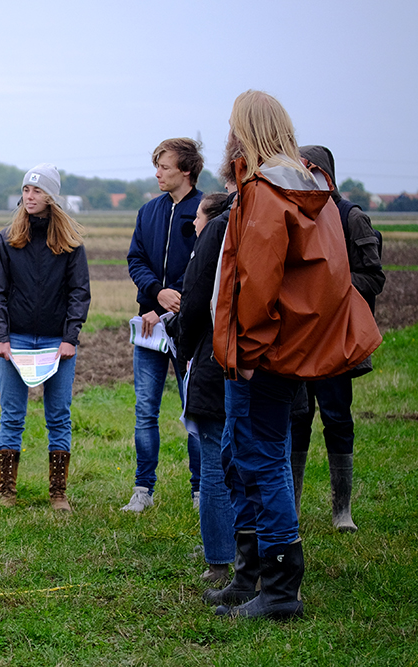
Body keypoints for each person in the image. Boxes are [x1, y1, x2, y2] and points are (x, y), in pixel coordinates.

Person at [208, 90, 382, 619]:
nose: (229, 133)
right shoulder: (313, 188)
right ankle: (252, 574)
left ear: (247, 129)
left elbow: (256, 284)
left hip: (260, 354)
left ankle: (280, 589)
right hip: (282, 349)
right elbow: (327, 280)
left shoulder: (266, 190)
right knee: (244, 453)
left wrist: (251, 351)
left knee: (261, 458)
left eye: (234, 124)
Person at [289, 145, 386, 533]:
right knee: (296, 420)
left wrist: (331, 288)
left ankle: (341, 510)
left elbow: (374, 277)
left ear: (320, 171)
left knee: (337, 418)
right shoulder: (292, 212)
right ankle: (290, 508)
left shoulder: (352, 217)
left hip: (335, 340)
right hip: (298, 340)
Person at [0, 164, 90, 512]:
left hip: (56, 344)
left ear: (51, 197)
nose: (30, 197)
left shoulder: (71, 244)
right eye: (26, 191)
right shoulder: (7, 239)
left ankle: (58, 493)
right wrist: (2, 337)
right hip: (15, 343)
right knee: (12, 416)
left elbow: (79, 292)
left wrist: (70, 338)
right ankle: (7, 491)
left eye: (38, 191)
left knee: (58, 415)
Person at [123, 138, 204, 512]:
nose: (158, 173)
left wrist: (177, 302)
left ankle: (201, 491)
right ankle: (143, 490)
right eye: (156, 166)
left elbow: (206, 268)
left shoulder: (210, 212)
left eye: (165, 167)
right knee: (145, 410)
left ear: (186, 170)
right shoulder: (148, 212)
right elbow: (135, 259)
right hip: (150, 327)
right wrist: (157, 294)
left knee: (196, 411)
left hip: (191, 330)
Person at [176, 191, 235, 584]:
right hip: (276, 365)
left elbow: (195, 303)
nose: (193, 225)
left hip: (219, 361)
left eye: (197, 217)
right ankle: (271, 555)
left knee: (214, 462)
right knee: (268, 462)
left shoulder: (216, 232)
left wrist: (180, 339)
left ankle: (218, 559)